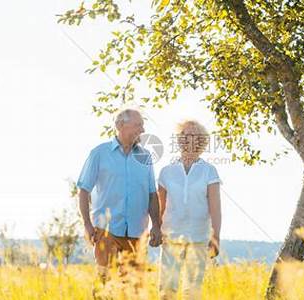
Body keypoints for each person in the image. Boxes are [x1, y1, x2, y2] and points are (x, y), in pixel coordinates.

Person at [76, 108, 162, 283]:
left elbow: (152, 194)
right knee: (105, 285)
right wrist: (87, 224)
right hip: (107, 231)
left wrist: (156, 226)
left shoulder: (145, 157)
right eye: (138, 125)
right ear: (120, 125)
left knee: (133, 289)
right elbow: (83, 190)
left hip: (137, 233)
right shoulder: (99, 154)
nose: (143, 130)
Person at [157, 120, 222, 300]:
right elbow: (160, 207)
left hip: (199, 238)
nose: (187, 139)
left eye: (193, 136)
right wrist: (154, 229)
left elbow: (215, 209)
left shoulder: (209, 171)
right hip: (171, 237)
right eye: (184, 135)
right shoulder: (166, 172)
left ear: (201, 142)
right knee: (167, 289)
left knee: (192, 291)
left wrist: (215, 236)